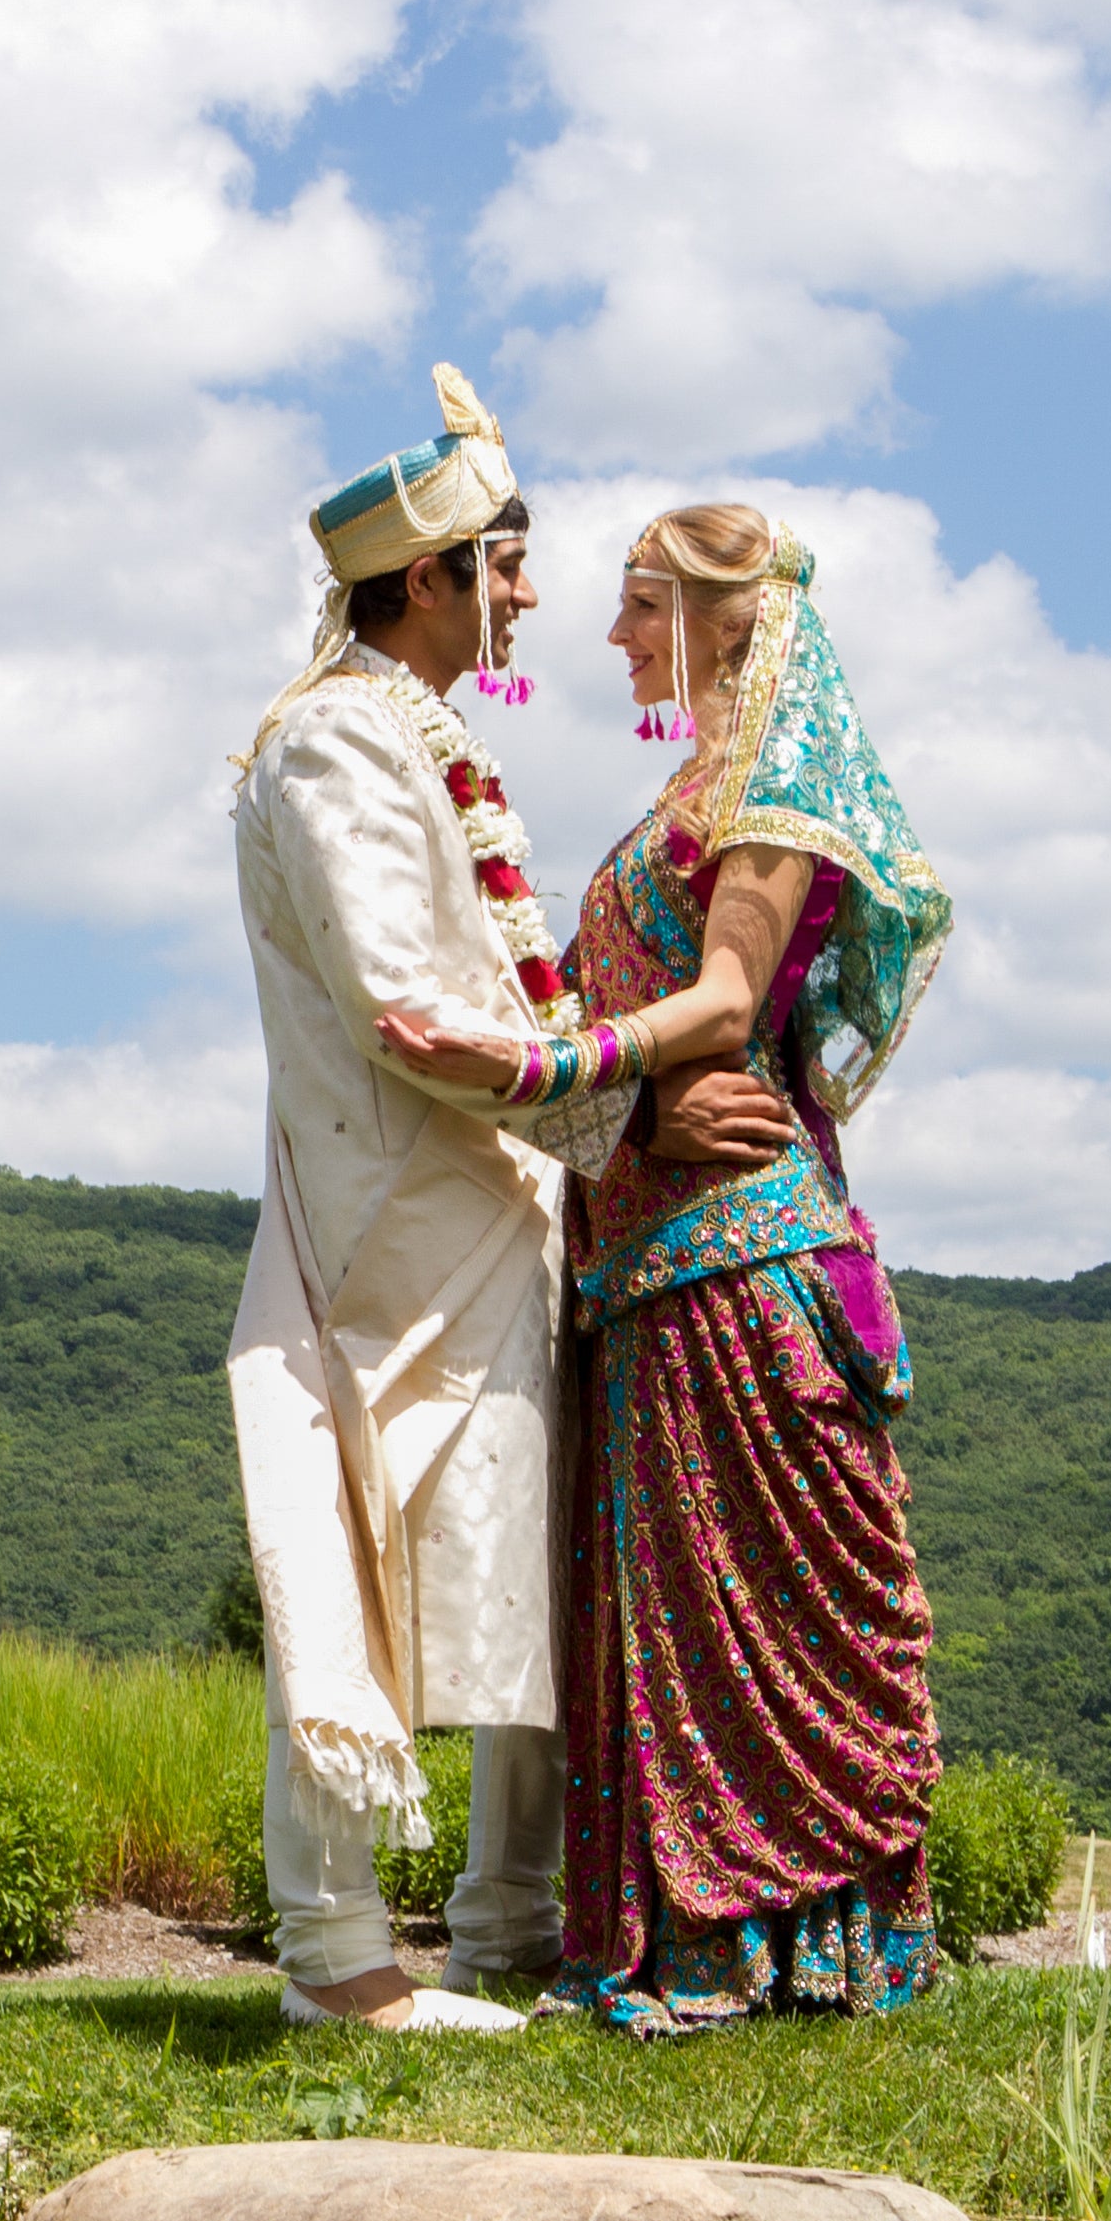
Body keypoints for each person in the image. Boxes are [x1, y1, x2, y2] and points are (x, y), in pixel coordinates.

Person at [230, 373, 787, 2034]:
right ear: (428, 578)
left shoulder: (418, 734)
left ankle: (507, 1935)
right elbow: (407, 1015)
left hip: (489, 1216)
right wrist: (640, 1087)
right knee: (349, 1551)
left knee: (528, 1567)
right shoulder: (337, 739)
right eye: (511, 564)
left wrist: (609, 1109)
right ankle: (337, 1963)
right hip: (393, 1228)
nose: (532, 598)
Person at [377, 503, 955, 2036]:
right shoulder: (685, 797)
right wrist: (610, 1098)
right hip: (649, 1257)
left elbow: (729, 1000)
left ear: (715, 615)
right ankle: (692, 1945)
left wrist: (562, 1067)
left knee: (772, 1615)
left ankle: (800, 1946)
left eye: (642, 604)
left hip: (741, 1245)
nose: (616, 633)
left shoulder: (770, 795)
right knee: (677, 1618)